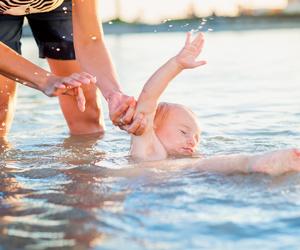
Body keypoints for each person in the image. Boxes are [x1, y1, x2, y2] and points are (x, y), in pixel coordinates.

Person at [123, 32, 300, 175]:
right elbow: (148, 97)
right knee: (201, 165)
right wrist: (176, 64)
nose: (192, 141)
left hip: (180, 185)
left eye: (197, 138)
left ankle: (256, 163)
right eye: (184, 132)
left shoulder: (180, 160)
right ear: (152, 125)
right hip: (162, 186)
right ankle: (253, 162)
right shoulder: (148, 149)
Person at [0, 0, 140, 138]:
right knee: (1, 105)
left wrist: (113, 93)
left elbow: (90, 41)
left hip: (55, 5)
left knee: (83, 102)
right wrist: (45, 80)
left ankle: (87, 158)